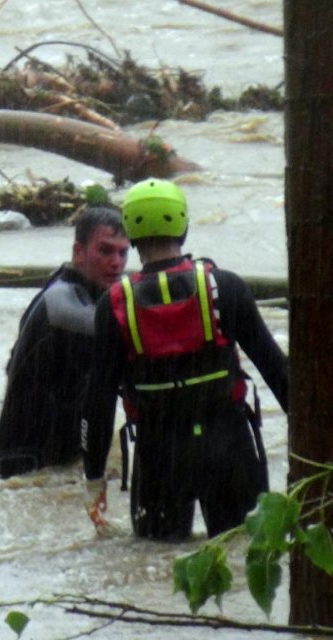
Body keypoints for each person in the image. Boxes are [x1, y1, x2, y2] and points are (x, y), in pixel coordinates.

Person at [79, 179, 289, 541]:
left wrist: (93, 478)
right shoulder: (226, 287)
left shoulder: (113, 305)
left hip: (160, 459)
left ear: (130, 232)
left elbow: (97, 404)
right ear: (184, 227)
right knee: (242, 555)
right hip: (229, 451)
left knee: (157, 570)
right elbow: (279, 372)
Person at [0, 206, 130, 480]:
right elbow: (117, 338)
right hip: (25, 465)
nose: (116, 263)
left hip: (58, 460)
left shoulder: (89, 296)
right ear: (79, 252)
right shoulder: (61, 305)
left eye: (123, 253)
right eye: (105, 250)